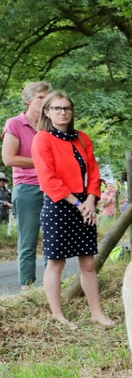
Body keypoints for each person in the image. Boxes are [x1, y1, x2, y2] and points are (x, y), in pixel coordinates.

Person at [30, 90, 114, 328]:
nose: (62, 112)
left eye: (66, 108)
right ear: (47, 112)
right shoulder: (43, 139)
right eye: (57, 108)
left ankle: (96, 313)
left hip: (84, 204)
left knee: (88, 263)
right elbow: (48, 177)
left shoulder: (82, 138)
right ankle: (58, 315)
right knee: (56, 262)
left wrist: (90, 200)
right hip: (59, 204)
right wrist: (77, 203)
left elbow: (93, 171)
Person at [2, 81, 50, 290]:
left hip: (52, 187)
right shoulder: (14, 123)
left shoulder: (51, 124)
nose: (44, 101)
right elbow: (9, 158)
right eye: (40, 97)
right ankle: (27, 288)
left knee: (53, 240)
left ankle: (52, 286)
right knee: (28, 241)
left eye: (47, 97)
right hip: (27, 188)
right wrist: (42, 161)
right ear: (28, 100)